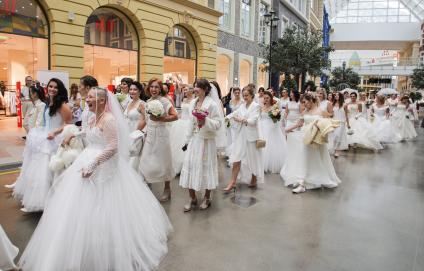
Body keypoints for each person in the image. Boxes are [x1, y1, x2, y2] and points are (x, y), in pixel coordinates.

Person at [18, 87, 172, 271]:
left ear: (101, 101)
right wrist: (74, 134)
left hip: (104, 167)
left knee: (105, 205)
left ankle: (107, 247)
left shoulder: (109, 119)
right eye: (87, 96)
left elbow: (114, 145)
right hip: (87, 160)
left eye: (90, 97)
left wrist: (94, 163)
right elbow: (90, 133)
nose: (87, 99)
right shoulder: (92, 117)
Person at [13, 78, 72, 212]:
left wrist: (55, 132)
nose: (52, 89)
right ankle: (42, 201)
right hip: (46, 138)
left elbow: (68, 124)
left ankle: (54, 202)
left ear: (60, 89)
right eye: (50, 86)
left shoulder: (62, 105)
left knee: (51, 172)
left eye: (55, 87)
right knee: (40, 172)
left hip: (56, 140)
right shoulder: (48, 102)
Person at [281, 93, 341, 194]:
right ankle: (302, 182)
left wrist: (318, 127)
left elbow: (327, 123)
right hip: (305, 137)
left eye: (305, 102)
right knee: (304, 157)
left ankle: (308, 180)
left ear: (311, 100)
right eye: (302, 103)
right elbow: (299, 123)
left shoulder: (321, 111)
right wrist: (286, 129)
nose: (304, 105)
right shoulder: (305, 111)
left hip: (315, 138)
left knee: (314, 158)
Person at [179, 79, 223, 211]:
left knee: (206, 168)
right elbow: (190, 123)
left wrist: (205, 120)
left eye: (198, 87)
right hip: (194, 140)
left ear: (206, 89)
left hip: (207, 141)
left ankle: (207, 198)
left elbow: (218, 124)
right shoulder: (193, 102)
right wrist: (186, 140)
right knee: (190, 166)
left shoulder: (213, 105)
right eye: (194, 86)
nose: (195, 89)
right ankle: (192, 198)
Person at [138, 78, 178, 202]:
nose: (154, 89)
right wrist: (138, 131)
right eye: (152, 87)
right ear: (148, 88)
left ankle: (167, 189)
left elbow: (175, 116)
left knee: (164, 162)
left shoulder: (165, 101)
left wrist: (161, 119)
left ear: (160, 89)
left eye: (156, 87)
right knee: (145, 161)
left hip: (161, 135)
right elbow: (146, 120)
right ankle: (145, 186)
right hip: (150, 135)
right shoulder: (147, 102)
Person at [5, 86, 47, 190]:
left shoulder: (41, 105)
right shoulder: (35, 105)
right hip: (32, 137)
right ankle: (20, 182)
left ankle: (28, 186)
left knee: (33, 164)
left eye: (31, 92)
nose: (30, 94)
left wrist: (33, 137)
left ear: (35, 94)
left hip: (36, 139)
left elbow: (39, 123)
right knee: (27, 163)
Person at [223, 85, 264, 191]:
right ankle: (232, 182)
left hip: (251, 136)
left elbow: (253, 121)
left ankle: (254, 179)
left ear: (251, 95)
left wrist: (242, 120)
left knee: (253, 159)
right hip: (241, 136)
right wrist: (226, 118)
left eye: (246, 95)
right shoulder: (242, 105)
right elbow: (234, 113)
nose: (244, 97)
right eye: (244, 95)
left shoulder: (256, 106)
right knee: (236, 158)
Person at [259, 91, 287, 173]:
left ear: (271, 98)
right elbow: (259, 118)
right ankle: (261, 163)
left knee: (270, 145)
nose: (266, 99)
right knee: (261, 145)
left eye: (267, 98)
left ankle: (268, 164)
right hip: (262, 127)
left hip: (271, 127)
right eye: (264, 98)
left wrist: (275, 117)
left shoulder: (274, 107)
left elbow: (278, 119)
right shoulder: (261, 107)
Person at [170, 85, 195, 174]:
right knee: (178, 143)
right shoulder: (184, 100)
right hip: (181, 122)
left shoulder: (194, 100)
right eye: (184, 89)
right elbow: (182, 112)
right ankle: (178, 165)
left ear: (192, 91)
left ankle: (187, 166)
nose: (184, 91)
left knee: (186, 143)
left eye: (187, 89)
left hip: (188, 123)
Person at [124, 81, 146, 171]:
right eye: (131, 89)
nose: (132, 91)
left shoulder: (142, 104)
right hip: (127, 131)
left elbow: (145, 120)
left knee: (134, 157)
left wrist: (135, 133)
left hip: (135, 132)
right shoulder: (129, 103)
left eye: (135, 89)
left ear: (140, 91)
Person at [329, 92, 349, 157]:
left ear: (340, 96)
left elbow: (346, 115)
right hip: (333, 122)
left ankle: (337, 151)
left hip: (341, 122)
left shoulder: (344, 105)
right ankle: (334, 149)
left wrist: (348, 124)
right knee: (334, 136)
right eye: (335, 95)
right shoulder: (332, 104)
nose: (336, 96)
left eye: (338, 95)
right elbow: (331, 114)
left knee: (338, 136)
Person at [225, 86, 243, 157]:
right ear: (233, 93)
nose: (237, 94)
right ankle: (232, 153)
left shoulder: (242, 101)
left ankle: (237, 152)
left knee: (237, 137)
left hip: (238, 120)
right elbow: (231, 111)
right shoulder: (231, 101)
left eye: (238, 93)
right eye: (236, 93)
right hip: (232, 121)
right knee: (231, 137)